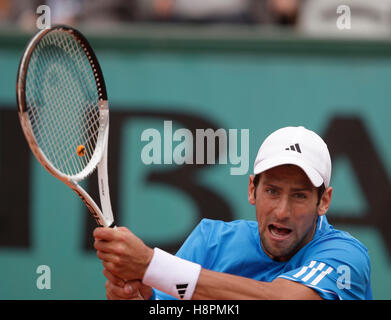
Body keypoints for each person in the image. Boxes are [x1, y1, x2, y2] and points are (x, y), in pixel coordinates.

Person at [94, 126, 372, 300]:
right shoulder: (210, 241)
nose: (282, 211)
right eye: (272, 191)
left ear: (324, 201)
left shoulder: (346, 258)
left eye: (299, 196)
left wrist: (150, 265)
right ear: (252, 189)